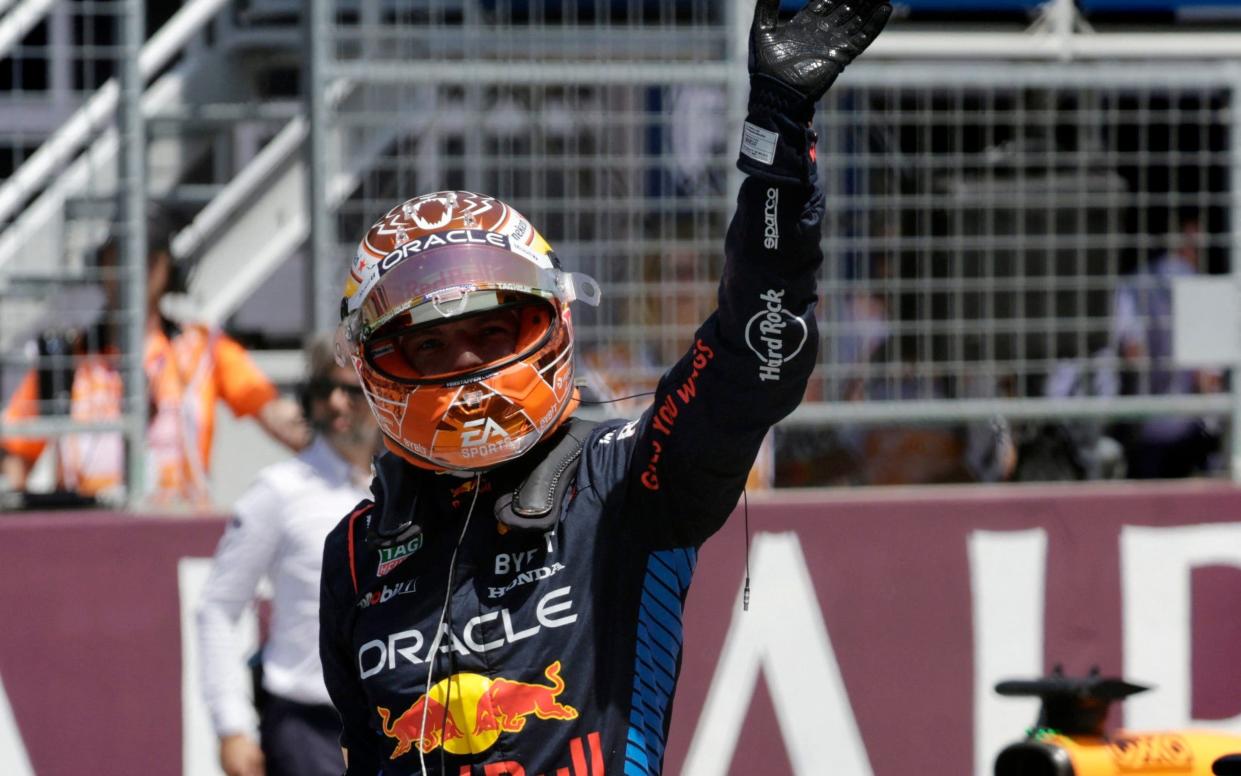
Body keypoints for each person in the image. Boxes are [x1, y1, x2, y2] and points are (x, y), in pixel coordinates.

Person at [318, 1, 890, 773]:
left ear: (554, 320)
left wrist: (779, 132)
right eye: (431, 347)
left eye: (493, 333)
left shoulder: (625, 482)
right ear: (375, 365)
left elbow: (761, 355)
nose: (469, 366)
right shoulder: (354, 554)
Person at [0, 206, 308, 505]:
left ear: (169, 270)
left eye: (146, 260)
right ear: (102, 264)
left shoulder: (203, 349)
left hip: (177, 533)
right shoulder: (65, 356)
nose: (131, 273)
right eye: (119, 258)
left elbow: (277, 416)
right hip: (84, 537)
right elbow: (14, 462)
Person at [197, 337, 378, 776]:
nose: (336, 404)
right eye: (323, 390)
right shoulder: (279, 491)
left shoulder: (410, 489)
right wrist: (232, 727)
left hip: (393, 722)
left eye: (352, 390)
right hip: (306, 726)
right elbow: (218, 608)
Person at [1111, 211, 1222, 478]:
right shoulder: (1202, 289)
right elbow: (1208, 380)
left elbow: (1133, 354)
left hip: (1145, 427)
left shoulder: (1132, 286)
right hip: (1185, 430)